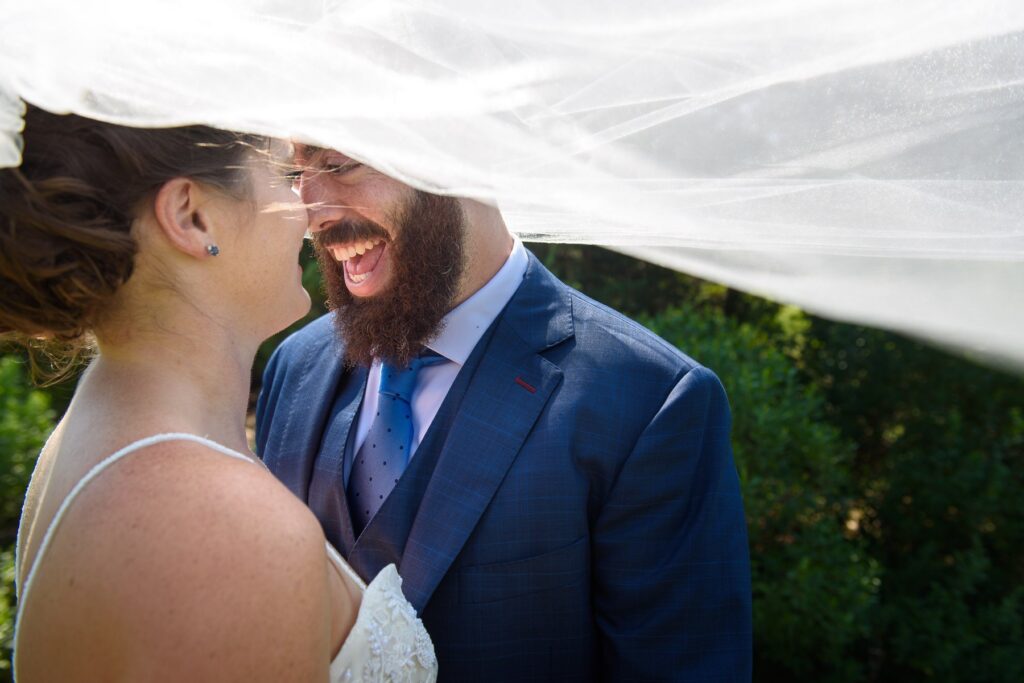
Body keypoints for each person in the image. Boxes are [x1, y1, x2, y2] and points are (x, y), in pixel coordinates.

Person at [256, 144, 753, 681]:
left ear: (459, 151)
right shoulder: (295, 365)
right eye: (297, 173)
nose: (309, 213)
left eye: (338, 165)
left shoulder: (651, 400)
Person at [1, 106, 437, 682]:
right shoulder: (229, 531)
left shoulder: (100, 426)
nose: (312, 215)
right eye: (285, 178)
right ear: (192, 217)